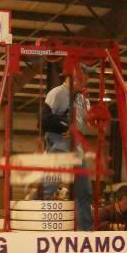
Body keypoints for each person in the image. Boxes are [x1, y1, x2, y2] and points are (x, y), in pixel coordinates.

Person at [42, 70, 93, 231]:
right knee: (50, 185)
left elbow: (88, 120)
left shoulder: (81, 97)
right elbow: (44, 119)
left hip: (75, 146)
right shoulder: (57, 93)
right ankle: (35, 220)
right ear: (76, 77)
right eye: (85, 76)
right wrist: (65, 126)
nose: (87, 80)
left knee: (84, 189)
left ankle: (85, 230)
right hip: (60, 144)